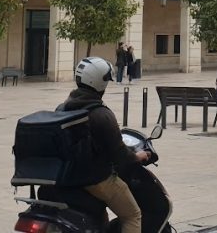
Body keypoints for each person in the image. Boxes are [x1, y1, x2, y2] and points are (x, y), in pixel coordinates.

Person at [58, 57, 150, 233]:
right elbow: (119, 154)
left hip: (67, 175)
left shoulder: (63, 108)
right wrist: (137, 156)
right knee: (132, 215)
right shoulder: (101, 114)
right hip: (95, 179)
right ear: (100, 82)